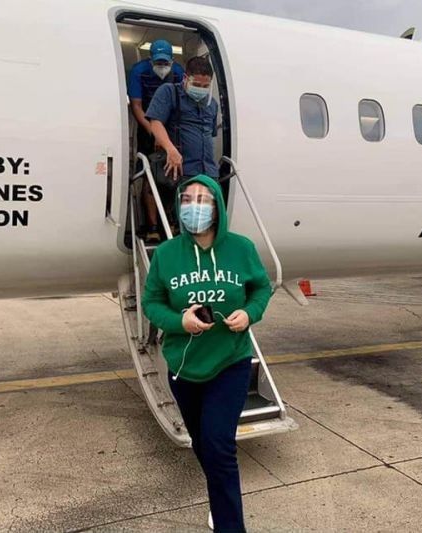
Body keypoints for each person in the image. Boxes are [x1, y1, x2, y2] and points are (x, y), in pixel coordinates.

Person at [142, 175, 272, 532]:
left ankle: (230, 525)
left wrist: (250, 313)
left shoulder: (241, 248)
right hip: (184, 367)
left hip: (230, 361)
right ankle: (219, 496)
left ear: (216, 206)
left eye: (202, 199)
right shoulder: (167, 255)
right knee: (203, 443)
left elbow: (261, 288)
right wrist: (179, 321)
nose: (193, 206)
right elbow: (151, 302)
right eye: (187, 199)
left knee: (219, 444)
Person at [127, 39, 185, 243]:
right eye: (158, 63)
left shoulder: (178, 72)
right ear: (150, 59)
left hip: (170, 127)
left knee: (173, 176)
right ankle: (152, 226)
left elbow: (180, 104)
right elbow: (136, 105)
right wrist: (154, 133)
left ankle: (170, 222)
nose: (162, 67)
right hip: (147, 125)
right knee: (150, 173)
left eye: (165, 63)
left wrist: (167, 138)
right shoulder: (139, 71)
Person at [146, 55, 220, 186]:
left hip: (209, 173)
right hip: (180, 170)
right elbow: (155, 123)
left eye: (205, 86)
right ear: (185, 78)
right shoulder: (169, 92)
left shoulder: (212, 104)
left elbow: (211, 135)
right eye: (197, 85)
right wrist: (170, 149)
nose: (201, 89)